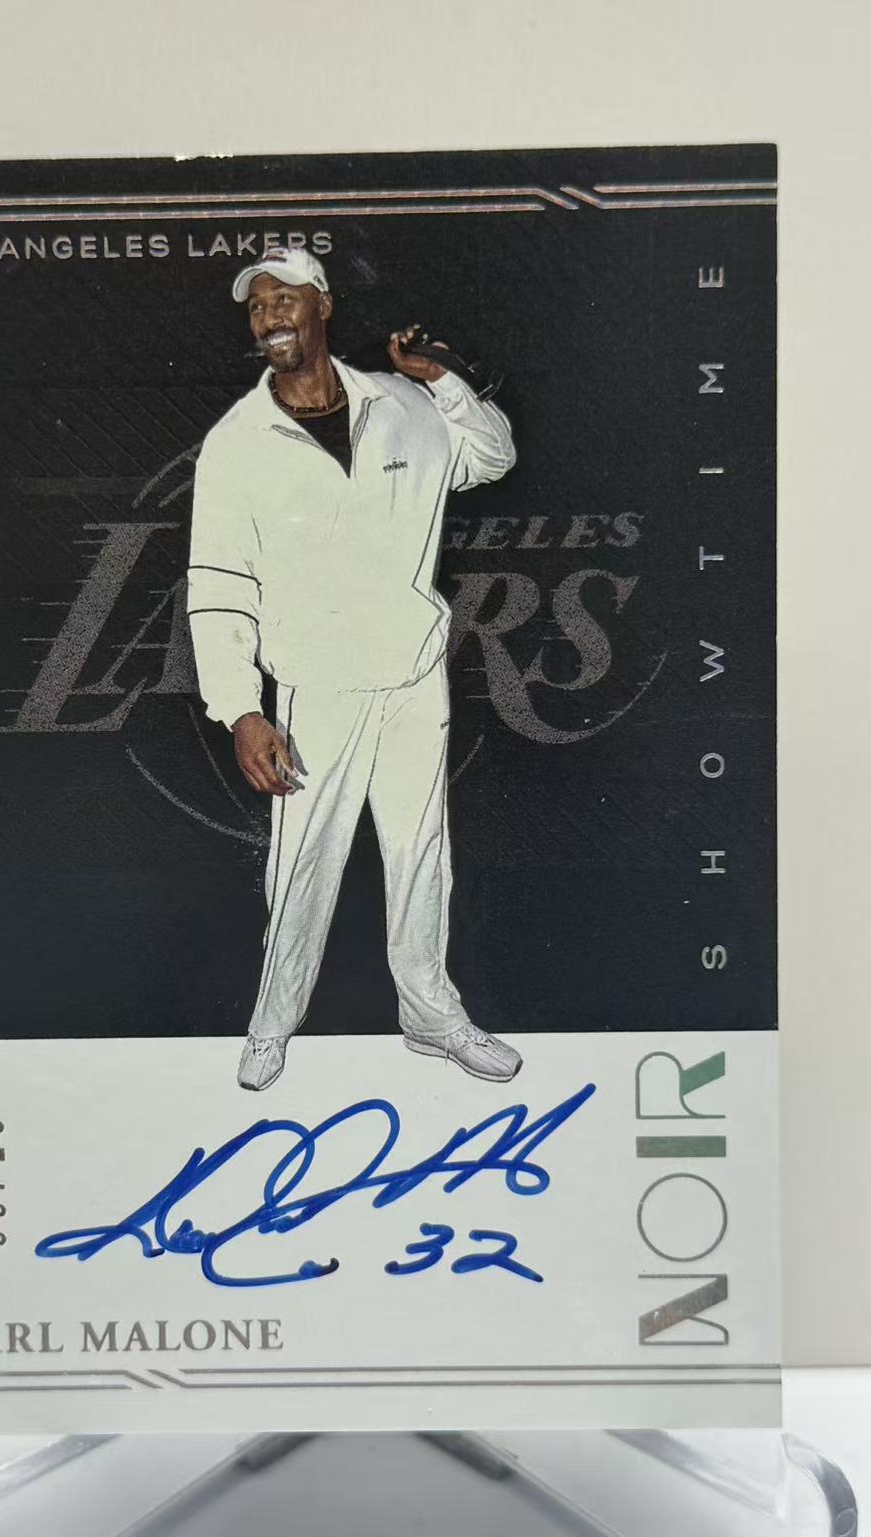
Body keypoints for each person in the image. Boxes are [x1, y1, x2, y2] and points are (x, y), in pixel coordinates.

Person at [188, 245, 521, 1092]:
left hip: (412, 676)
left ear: (323, 305)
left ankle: (431, 1014)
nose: (268, 317)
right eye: (256, 305)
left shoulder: (403, 405)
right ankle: (272, 1025)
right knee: (302, 868)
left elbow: (492, 457)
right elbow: (218, 586)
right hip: (317, 689)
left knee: (420, 852)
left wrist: (442, 380)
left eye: (284, 299)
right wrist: (242, 711)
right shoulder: (235, 444)